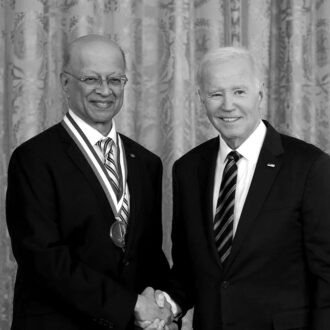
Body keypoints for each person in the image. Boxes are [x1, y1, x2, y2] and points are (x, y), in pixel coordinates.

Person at [6, 34, 173, 330]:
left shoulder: (146, 163)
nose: (104, 90)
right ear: (65, 82)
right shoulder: (33, 159)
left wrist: (160, 307)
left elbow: (148, 254)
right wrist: (131, 305)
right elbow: (44, 261)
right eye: (91, 79)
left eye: (115, 80)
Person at [164, 47, 330, 329]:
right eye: (216, 94)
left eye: (239, 92)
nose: (228, 105)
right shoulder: (187, 169)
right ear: (201, 99)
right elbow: (187, 270)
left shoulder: (310, 167)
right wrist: (166, 304)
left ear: (259, 93)